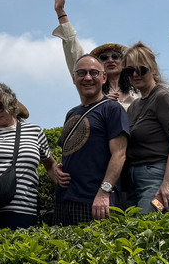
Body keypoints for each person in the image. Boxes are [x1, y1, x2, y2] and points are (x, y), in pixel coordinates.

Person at [0, 81, 63, 230]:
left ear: (10, 103)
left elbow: (50, 164)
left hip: (24, 212)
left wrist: (63, 183)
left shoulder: (34, 131)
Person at [54, 54, 129, 225]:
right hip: (65, 199)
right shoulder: (71, 113)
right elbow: (71, 152)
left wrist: (104, 192)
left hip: (96, 201)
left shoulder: (112, 109)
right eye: (81, 73)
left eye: (94, 73)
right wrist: (59, 168)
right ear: (74, 78)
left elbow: (119, 154)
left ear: (104, 77)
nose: (88, 78)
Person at [122, 42, 169, 214]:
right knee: (133, 229)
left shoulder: (163, 97)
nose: (135, 75)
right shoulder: (134, 106)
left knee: (149, 225)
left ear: (153, 69)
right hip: (134, 181)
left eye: (141, 69)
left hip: (159, 178)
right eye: (129, 71)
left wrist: (168, 183)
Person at [52, 0, 137, 108]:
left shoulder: (138, 86)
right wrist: (61, 13)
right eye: (104, 58)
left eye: (115, 56)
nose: (110, 60)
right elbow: (74, 50)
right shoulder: (93, 89)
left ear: (124, 63)